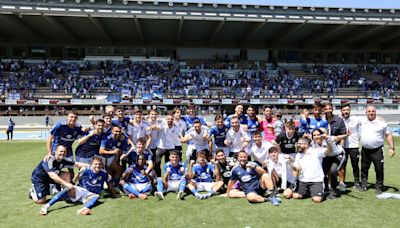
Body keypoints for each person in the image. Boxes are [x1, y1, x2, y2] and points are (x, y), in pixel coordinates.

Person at [39, 157, 110, 216]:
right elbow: (74, 180)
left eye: (99, 164)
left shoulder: (104, 173)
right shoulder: (86, 170)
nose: (97, 166)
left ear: (102, 165)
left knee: (96, 196)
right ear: (92, 164)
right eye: (95, 164)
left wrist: (114, 194)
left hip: (88, 194)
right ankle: (47, 206)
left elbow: (109, 183)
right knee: (70, 187)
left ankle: (84, 209)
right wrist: (79, 173)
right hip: (81, 189)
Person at [359, 105, 396, 194]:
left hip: (377, 151)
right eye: (369, 111)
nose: (371, 113)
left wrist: (392, 148)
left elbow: (388, 135)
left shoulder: (382, 122)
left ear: (375, 112)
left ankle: (379, 186)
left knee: (379, 169)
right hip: (365, 150)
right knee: (364, 168)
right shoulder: (362, 121)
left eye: (373, 111)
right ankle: (364, 185)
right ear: (366, 113)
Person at [292, 136, 338, 203]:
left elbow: (329, 151)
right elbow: (296, 168)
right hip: (303, 181)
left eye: (300, 144)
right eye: (298, 143)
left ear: (306, 144)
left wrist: (328, 141)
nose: (298, 145)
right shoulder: (298, 155)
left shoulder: (316, 151)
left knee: (317, 199)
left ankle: (319, 192)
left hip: (316, 181)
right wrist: (293, 166)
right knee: (295, 196)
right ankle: (309, 192)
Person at [323, 102, 347, 198]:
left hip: (336, 149)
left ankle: (338, 185)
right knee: (325, 170)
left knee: (335, 170)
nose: (328, 110)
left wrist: (341, 147)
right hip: (325, 150)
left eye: (329, 108)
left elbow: (343, 134)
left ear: (332, 109)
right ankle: (327, 186)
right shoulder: (322, 120)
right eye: (326, 109)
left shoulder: (339, 120)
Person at [99, 125, 129, 191]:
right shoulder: (106, 137)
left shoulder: (122, 138)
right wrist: (113, 152)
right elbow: (101, 151)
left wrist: (121, 155)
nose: (118, 133)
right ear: (112, 131)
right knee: (103, 172)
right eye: (116, 131)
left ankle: (115, 186)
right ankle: (100, 187)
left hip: (111, 158)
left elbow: (124, 150)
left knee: (119, 169)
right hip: (102, 158)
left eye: (119, 131)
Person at [341, 104, 362, 190]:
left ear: (350, 110)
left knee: (355, 165)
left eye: (347, 110)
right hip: (343, 147)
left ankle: (356, 183)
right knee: (342, 165)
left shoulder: (356, 119)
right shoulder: (339, 120)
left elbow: (368, 119)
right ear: (341, 111)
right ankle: (342, 182)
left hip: (354, 146)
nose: (346, 111)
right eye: (344, 110)